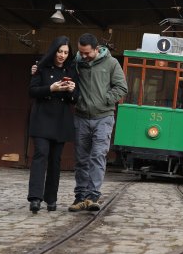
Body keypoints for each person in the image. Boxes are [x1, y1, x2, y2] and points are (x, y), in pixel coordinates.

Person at [68, 33, 128, 212]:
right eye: (81, 52)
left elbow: (122, 87)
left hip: (104, 117)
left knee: (98, 156)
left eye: (87, 53)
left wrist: (105, 100)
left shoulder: (111, 63)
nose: (83, 56)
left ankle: (92, 196)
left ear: (96, 49)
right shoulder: (76, 62)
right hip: (81, 117)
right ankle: (80, 196)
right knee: (81, 159)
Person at [27, 36, 78, 213]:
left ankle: (51, 198)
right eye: (60, 51)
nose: (62, 55)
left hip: (60, 121)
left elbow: (75, 99)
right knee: (41, 154)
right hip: (42, 118)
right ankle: (35, 198)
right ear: (53, 51)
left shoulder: (71, 70)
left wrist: (71, 91)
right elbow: (32, 91)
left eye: (66, 52)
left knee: (55, 160)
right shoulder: (40, 67)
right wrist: (51, 89)